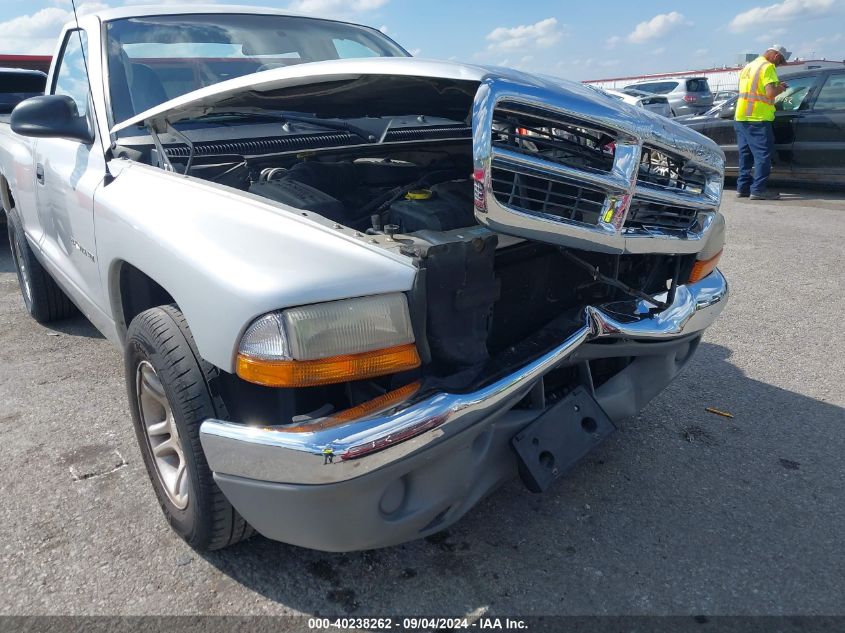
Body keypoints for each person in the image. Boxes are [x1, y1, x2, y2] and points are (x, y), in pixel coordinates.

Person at [734, 45, 789, 200]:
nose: (778, 65)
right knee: (762, 156)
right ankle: (758, 190)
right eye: (780, 61)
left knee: (745, 155)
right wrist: (781, 88)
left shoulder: (749, 66)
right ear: (776, 56)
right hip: (758, 118)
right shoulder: (768, 67)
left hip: (741, 116)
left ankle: (742, 188)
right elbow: (770, 93)